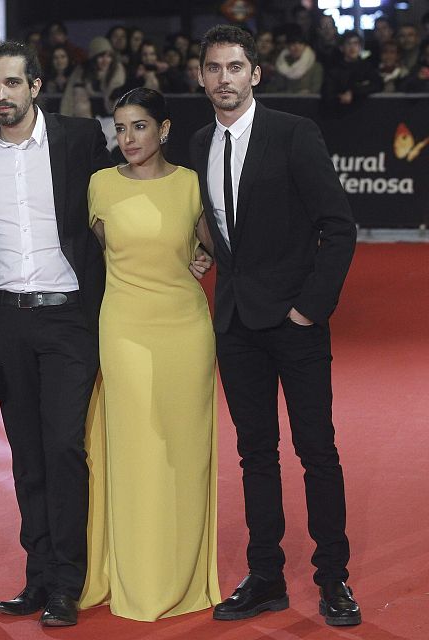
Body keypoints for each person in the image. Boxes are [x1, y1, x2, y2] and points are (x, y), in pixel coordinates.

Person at [190, 25, 360, 626]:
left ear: (255, 74)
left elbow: (338, 226)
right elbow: (212, 228)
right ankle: (265, 577)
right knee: (255, 455)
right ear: (201, 77)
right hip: (234, 324)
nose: (224, 79)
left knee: (317, 451)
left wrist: (310, 307)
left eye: (235, 67)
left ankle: (333, 579)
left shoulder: (294, 134)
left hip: (296, 322)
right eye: (214, 68)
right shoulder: (197, 145)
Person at [0, 41, 112, 627]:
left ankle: (66, 585)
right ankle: (37, 576)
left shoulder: (78, 139)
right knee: (26, 454)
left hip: (69, 317)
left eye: (11, 83)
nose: (0, 95)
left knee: (62, 447)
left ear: (36, 85)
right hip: (6, 317)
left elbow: (118, 206)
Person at [79, 87, 220, 622]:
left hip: (185, 330)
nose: (128, 138)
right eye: (119, 128)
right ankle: (130, 573)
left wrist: (204, 254)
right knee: (133, 452)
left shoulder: (189, 184)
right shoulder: (98, 187)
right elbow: (95, 256)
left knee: (183, 453)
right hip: (124, 330)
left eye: (139, 126)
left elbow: (217, 241)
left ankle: (181, 575)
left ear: (163, 129)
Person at [60, 36, 126, 117]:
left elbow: (117, 102)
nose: (105, 60)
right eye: (101, 56)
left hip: (111, 121)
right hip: (86, 122)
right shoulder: (82, 71)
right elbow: (69, 96)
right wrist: (64, 118)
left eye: (109, 56)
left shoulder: (117, 70)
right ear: (93, 58)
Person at [268, 29, 323, 94]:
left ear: (305, 46)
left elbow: (315, 90)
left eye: (300, 43)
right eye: (293, 44)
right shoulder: (280, 65)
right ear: (288, 46)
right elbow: (276, 88)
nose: (297, 47)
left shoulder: (315, 67)